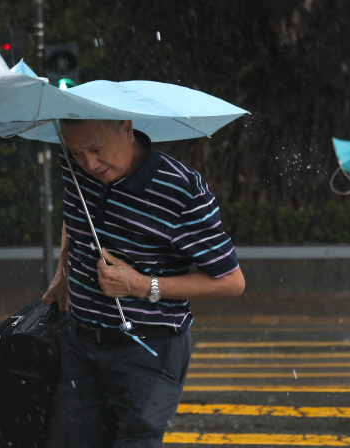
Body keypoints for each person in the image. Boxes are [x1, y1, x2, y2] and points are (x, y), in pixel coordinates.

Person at [41, 119, 245, 447]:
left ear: (126, 129)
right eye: (77, 152)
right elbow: (75, 211)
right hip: (79, 342)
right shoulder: (72, 162)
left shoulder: (180, 188)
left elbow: (231, 282)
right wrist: (63, 272)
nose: (88, 164)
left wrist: (142, 285)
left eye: (96, 149)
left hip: (149, 348)